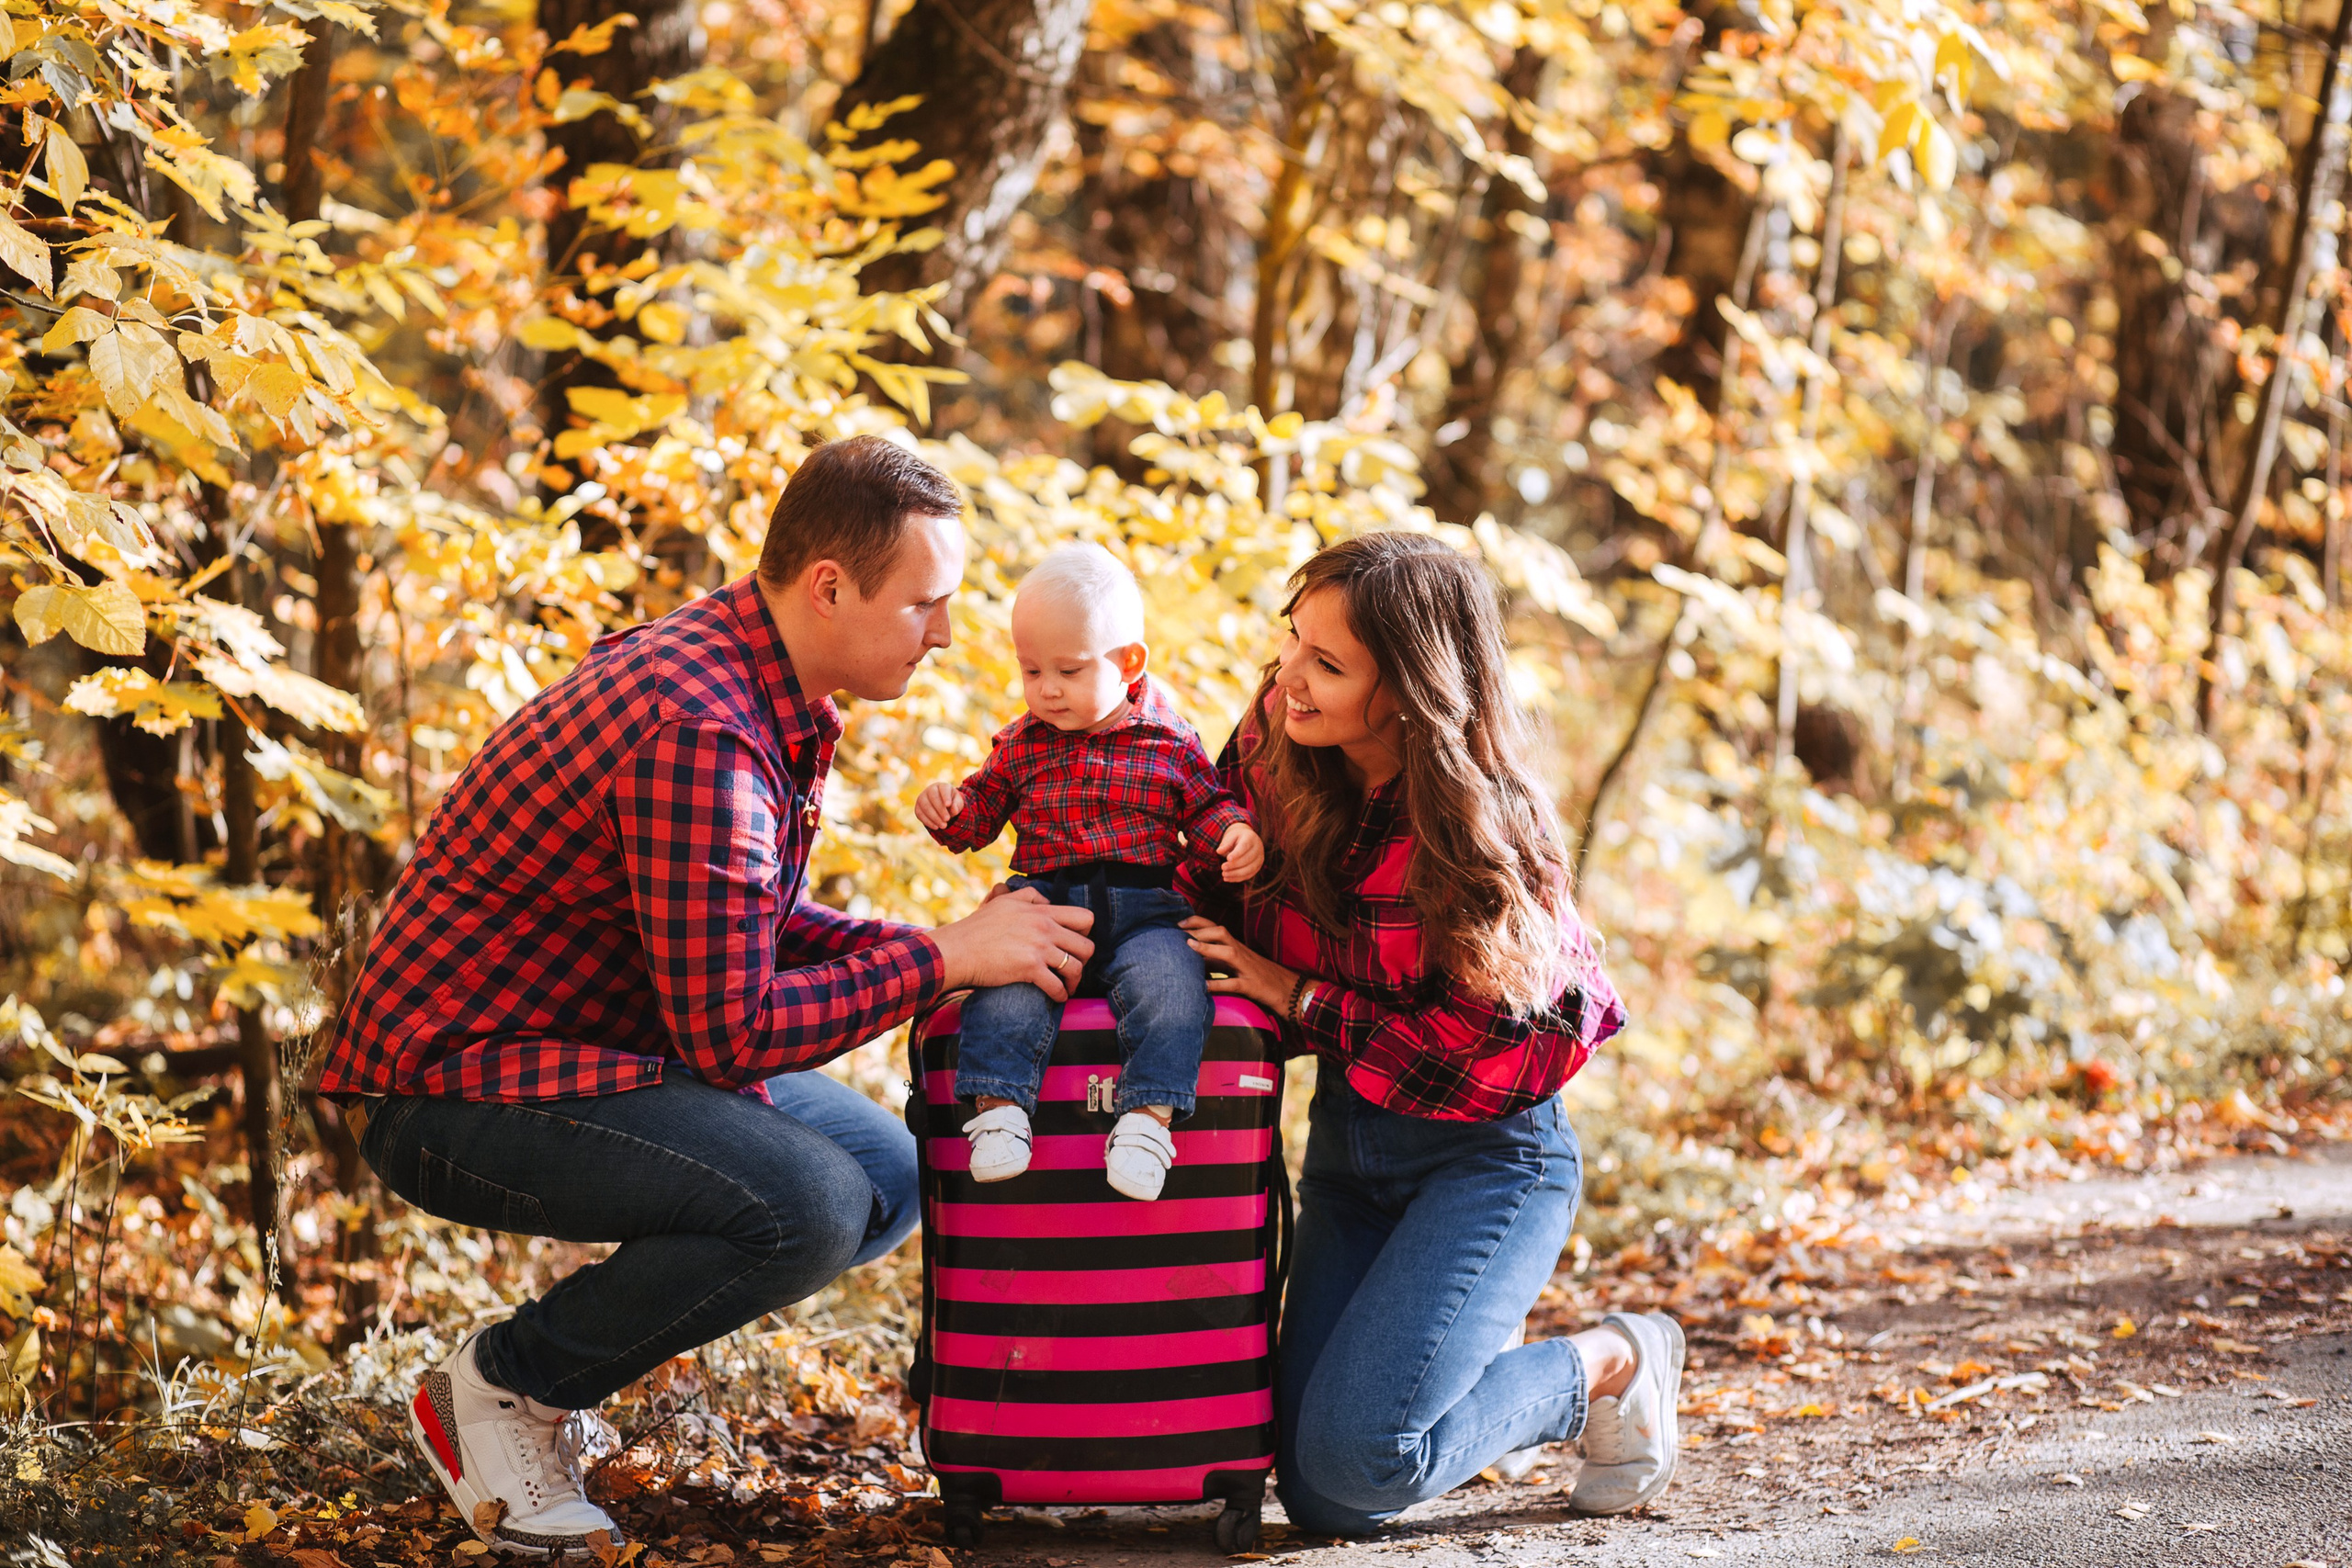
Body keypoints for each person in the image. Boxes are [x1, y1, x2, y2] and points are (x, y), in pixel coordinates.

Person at [318, 435, 1097, 1558]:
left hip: (591, 1045)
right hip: (452, 1092)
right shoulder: (704, 728)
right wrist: (942, 957)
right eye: (926, 604)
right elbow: (730, 1031)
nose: (944, 634)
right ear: (829, 588)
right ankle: (500, 1390)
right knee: (810, 1205)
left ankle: (546, 1381)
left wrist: (964, 945)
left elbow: (744, 927)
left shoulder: (750, 677)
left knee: (881, 1172)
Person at [1177, 532, 1683, 1536]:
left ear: (1408, 688)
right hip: (1350, 1146)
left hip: (1488, 1160)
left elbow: (1475, 1047)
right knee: (1322, 1493)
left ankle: (1613, 1360)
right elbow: (1197, 859)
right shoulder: (1277, 739)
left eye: (1328, 664)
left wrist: (1296, 998)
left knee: (1365, 1461)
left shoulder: (1486, 833)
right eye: (1291, 642)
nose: (1289, 678)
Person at [915, 543, 1264, 1201]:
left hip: (1145, 910)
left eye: (1069, 670)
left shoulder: (1169, 740)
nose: (1046, 688)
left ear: (1129, 662)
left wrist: (1237, 835)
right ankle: (998, 1113)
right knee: (1007, 991)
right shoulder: (1022, 744)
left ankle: (1146, 1120)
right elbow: (978, 818)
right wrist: (948, 809)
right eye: (1030, 670)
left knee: (1175, 987)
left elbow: (1208, 805)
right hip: (1046, 908)